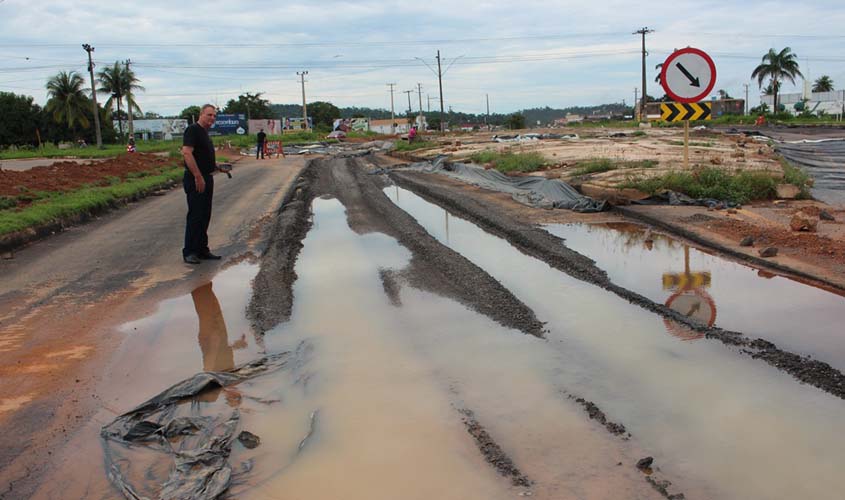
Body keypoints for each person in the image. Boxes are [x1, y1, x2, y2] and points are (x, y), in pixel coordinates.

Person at [181, 104, 222, 265]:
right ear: (201, 114)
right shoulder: (193, 130)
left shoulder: (205, 133)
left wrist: (216, 166)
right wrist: (197, 176)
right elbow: (187, 152)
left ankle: (202, 250)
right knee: (196, 215)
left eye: (214, 116)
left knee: (205, 215)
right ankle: (190, 251)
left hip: (206, 177)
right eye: (209, 115)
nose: (212, 118)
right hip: (196, 179)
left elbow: (202, 156)